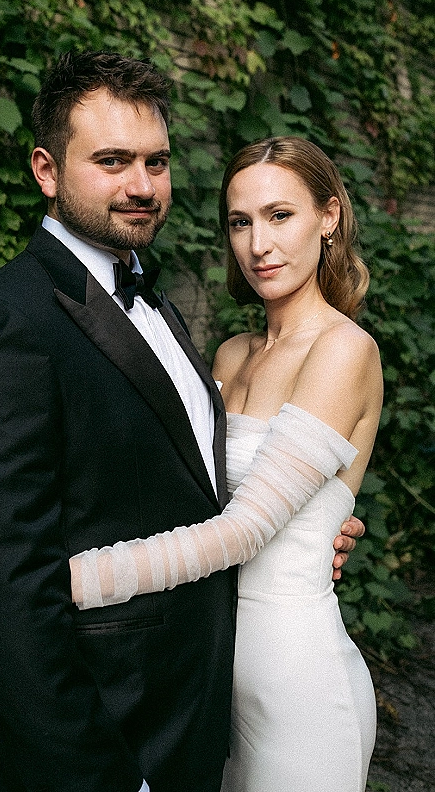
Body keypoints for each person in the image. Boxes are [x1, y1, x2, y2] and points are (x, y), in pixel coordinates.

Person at [0, 53, 363, 792]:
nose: (140, 185)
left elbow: (193, 489)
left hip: (186, 719)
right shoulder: (4, 325)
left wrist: (319, 525)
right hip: (95, 746)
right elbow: (5, 601)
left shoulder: (154, 306)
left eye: (156, 162)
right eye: (112, 160)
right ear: (46, 169)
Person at [69, 136, 382, 792]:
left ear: (328, 217)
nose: (258, 244)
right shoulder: (231, 355)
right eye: (240, 222)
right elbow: (184, 496)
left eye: (279, 215)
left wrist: (70, 582)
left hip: (295, 685)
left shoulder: (345, 350)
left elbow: (243, 532)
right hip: (205, 675)